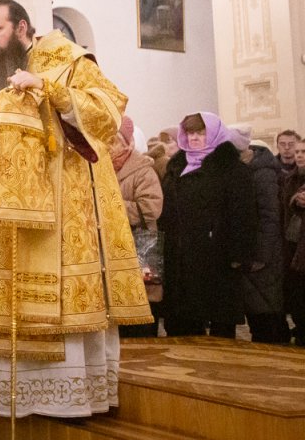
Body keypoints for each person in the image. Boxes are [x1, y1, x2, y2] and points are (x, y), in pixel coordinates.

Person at [0, 0, 151, 419]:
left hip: (66, 213)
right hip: (9, 222)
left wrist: (48, 89)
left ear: (21, 28)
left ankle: (75, 399)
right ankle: (26, 401)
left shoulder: (67, 60)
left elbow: (108, 110)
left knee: (66, 311)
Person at [158, 113, 256, 338]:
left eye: (201, 133)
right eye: (190, 133)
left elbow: (244, 215)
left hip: (218, 256)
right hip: (181, 256)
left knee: (220, 325)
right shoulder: (177, 167)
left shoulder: (231, 169)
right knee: (183, 325)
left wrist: (238, 254)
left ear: (214, 134)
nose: (194, 138)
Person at [231, 125, 289, 343]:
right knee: (260, 311)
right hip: (255, 253)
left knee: (268, 314)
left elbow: (270, 216)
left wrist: (261, 256)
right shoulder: (248, 170)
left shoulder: (262, 173)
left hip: (265, 256)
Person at [112, 116, 164, 337]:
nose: (107, 145)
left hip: (138, 246)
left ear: (127, 142)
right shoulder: (99, 167)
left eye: (113, 140)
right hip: (112, 247)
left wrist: (110, 205)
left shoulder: (143, 171)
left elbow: (151, 208)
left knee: (140, 308)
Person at [281, 142, 305, 345]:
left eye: (303, 152)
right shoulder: (290, 178)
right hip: (293, 244)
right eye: (298, 152)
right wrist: (295, 200)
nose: (299, 155)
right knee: (297, 295)